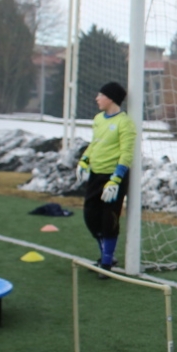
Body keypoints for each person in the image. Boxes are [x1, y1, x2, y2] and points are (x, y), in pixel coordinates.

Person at [76, 82, 135, 276]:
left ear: (110, 98)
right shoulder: (98, 119)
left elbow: (126, 153)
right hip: (96, 174)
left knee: (109, 219)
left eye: (100, 95)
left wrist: (116, 179)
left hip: (113, 178)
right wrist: (84, 160)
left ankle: (107, 262)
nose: (97, 99)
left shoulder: (124, 122)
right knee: (90, 215)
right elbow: (95, 143)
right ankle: (105, 255)